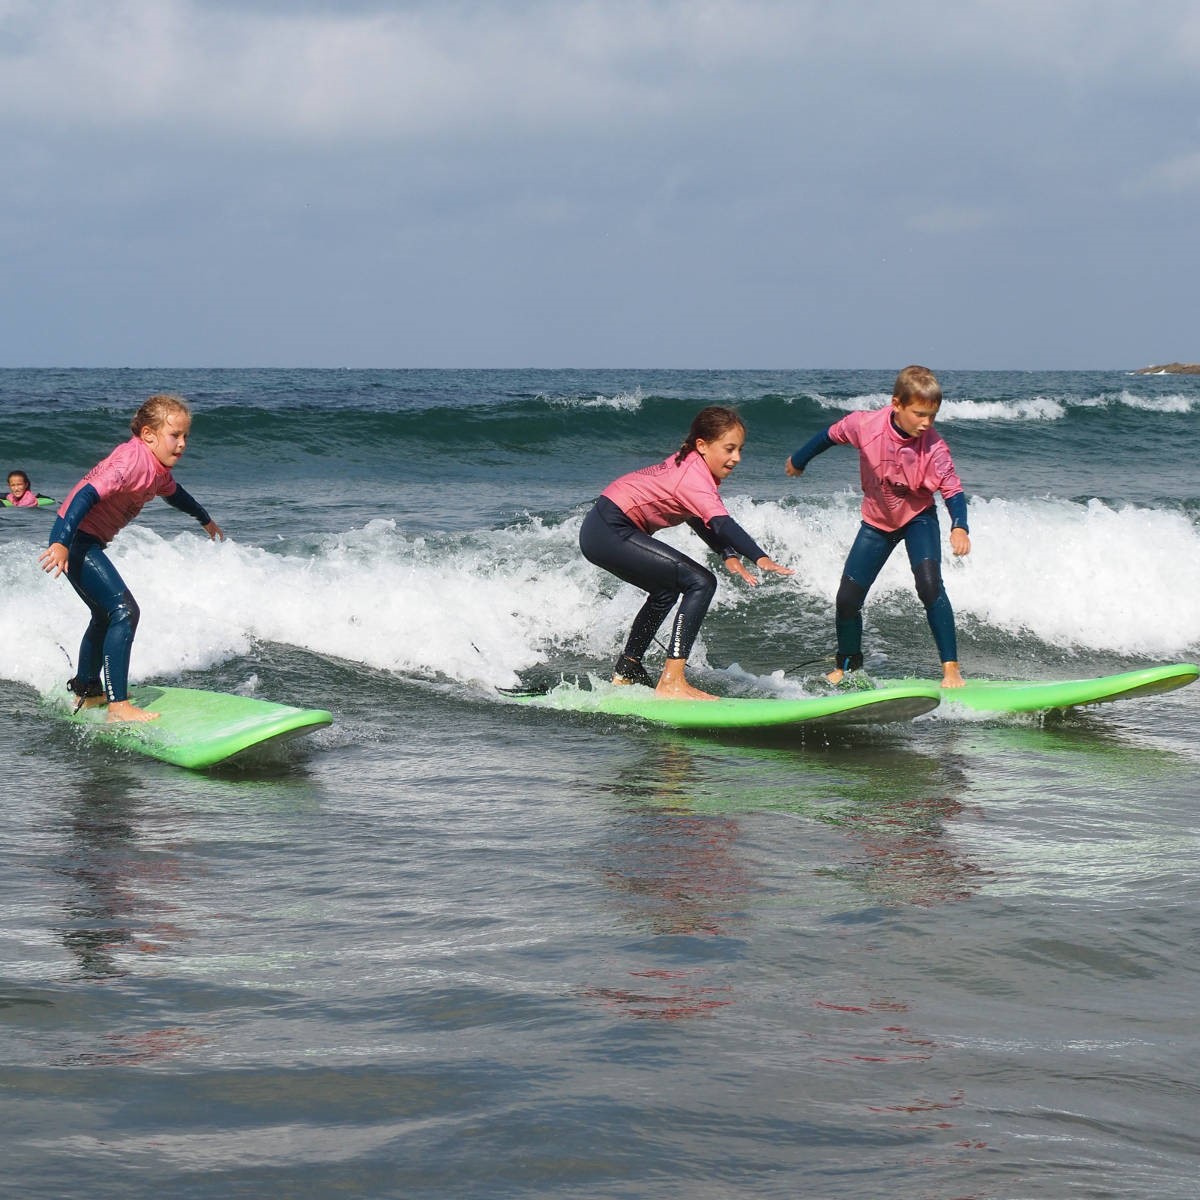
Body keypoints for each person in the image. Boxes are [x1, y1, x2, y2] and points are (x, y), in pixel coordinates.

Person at [580, 405, 793, 701]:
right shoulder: (694, 476)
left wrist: (726, 553)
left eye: (740, 450)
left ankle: (628, 669)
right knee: (701, 582)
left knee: (665, 591)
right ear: (703, 446)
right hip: (610, 528)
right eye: (729, 449)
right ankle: (672, 682)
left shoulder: (692, 464)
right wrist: (760, 556)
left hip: (602, 528)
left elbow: (696, 516)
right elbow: (721, 523)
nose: (737, 458)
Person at [37, 394, 225, 723]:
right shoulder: (132, 462)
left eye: (185, 436)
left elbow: (176, 494)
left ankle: (87, 690)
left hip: (85, 539)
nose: (182, 443)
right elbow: (85, 494)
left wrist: (204, 519)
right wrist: (63, 543)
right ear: (149, 435)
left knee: (104, 614)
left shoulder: (157, 469)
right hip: (76, 537)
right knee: (124, 611)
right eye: (174, 435)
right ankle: (118, 706)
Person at [785, 364, 972, 688]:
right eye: (919, 414)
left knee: (929, 586)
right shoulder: (864, 425)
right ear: (896, 404)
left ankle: (951, 669)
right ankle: (848, 666)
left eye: (933, 415)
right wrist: (799, 460)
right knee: (847, 600)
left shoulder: (935, 448)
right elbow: (828, 436)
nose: (927, 423)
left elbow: (953, 490)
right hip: (876, 522)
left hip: (918, 518)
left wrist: (960, 526)